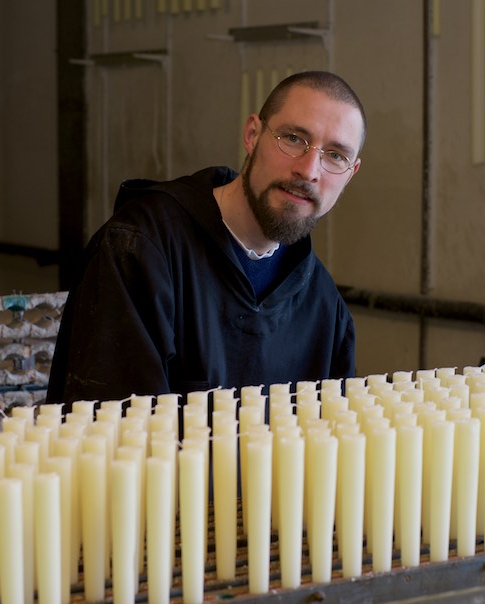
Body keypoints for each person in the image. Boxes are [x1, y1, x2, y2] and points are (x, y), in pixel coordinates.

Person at [46, 70, 365, 405]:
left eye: (335, 155)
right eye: (293, 139)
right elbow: (112, 436)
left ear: (351, 172)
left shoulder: (324, 306)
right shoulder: (140, 250)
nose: (310, 170)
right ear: (252, 135)